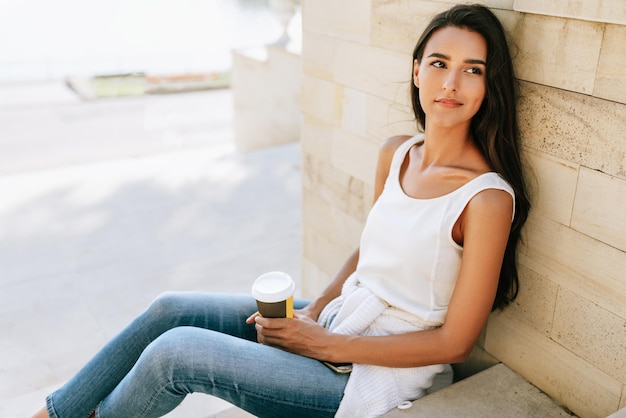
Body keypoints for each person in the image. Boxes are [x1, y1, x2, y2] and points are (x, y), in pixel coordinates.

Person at [33, 4, 530, 418]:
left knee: (175, 354)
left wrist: (323, 345)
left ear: (488, 87)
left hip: (374, 376)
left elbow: (454, 344)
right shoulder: (398, 153)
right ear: (416, 68)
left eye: (473, 70)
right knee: (171, 310)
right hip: (339, 321)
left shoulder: (485, 199)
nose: (451, 83)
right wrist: (314, 313)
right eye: (440, 63)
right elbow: (369, 251)